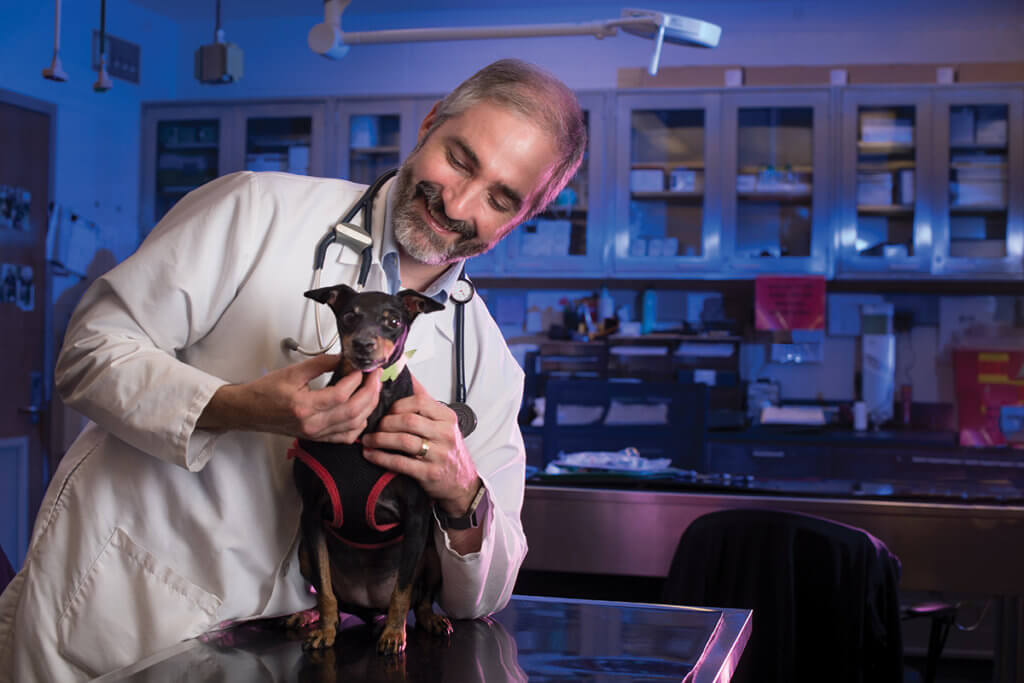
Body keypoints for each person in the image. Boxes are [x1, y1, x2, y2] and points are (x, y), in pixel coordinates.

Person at [0, 58, 586, 681]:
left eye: (500, 198)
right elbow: (88, 351)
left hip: (293, 658)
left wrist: (461, 488)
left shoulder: (489, 366)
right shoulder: (257, 210)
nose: (459, 203)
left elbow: (485, 597)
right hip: (125, 617)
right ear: (429, 124)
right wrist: (239, 408)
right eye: (461, 159)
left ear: (521, 218)